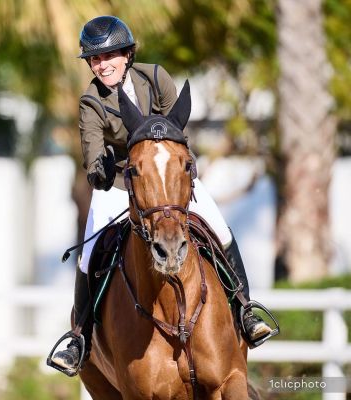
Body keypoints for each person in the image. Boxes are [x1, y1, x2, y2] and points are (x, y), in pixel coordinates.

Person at [49, 15, 276, 376]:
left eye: (109, 56)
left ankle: (245, 311)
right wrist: (101, 169)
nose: (102, 65)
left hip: (168, 183)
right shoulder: (91, 102)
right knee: (88, 255)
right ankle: (80, 338)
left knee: (220, 230)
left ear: (127, 55)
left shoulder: (156, 78)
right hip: (122, 186)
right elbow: (92, 155)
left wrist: (179, 169)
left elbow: (178, 135)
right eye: (95, 59)